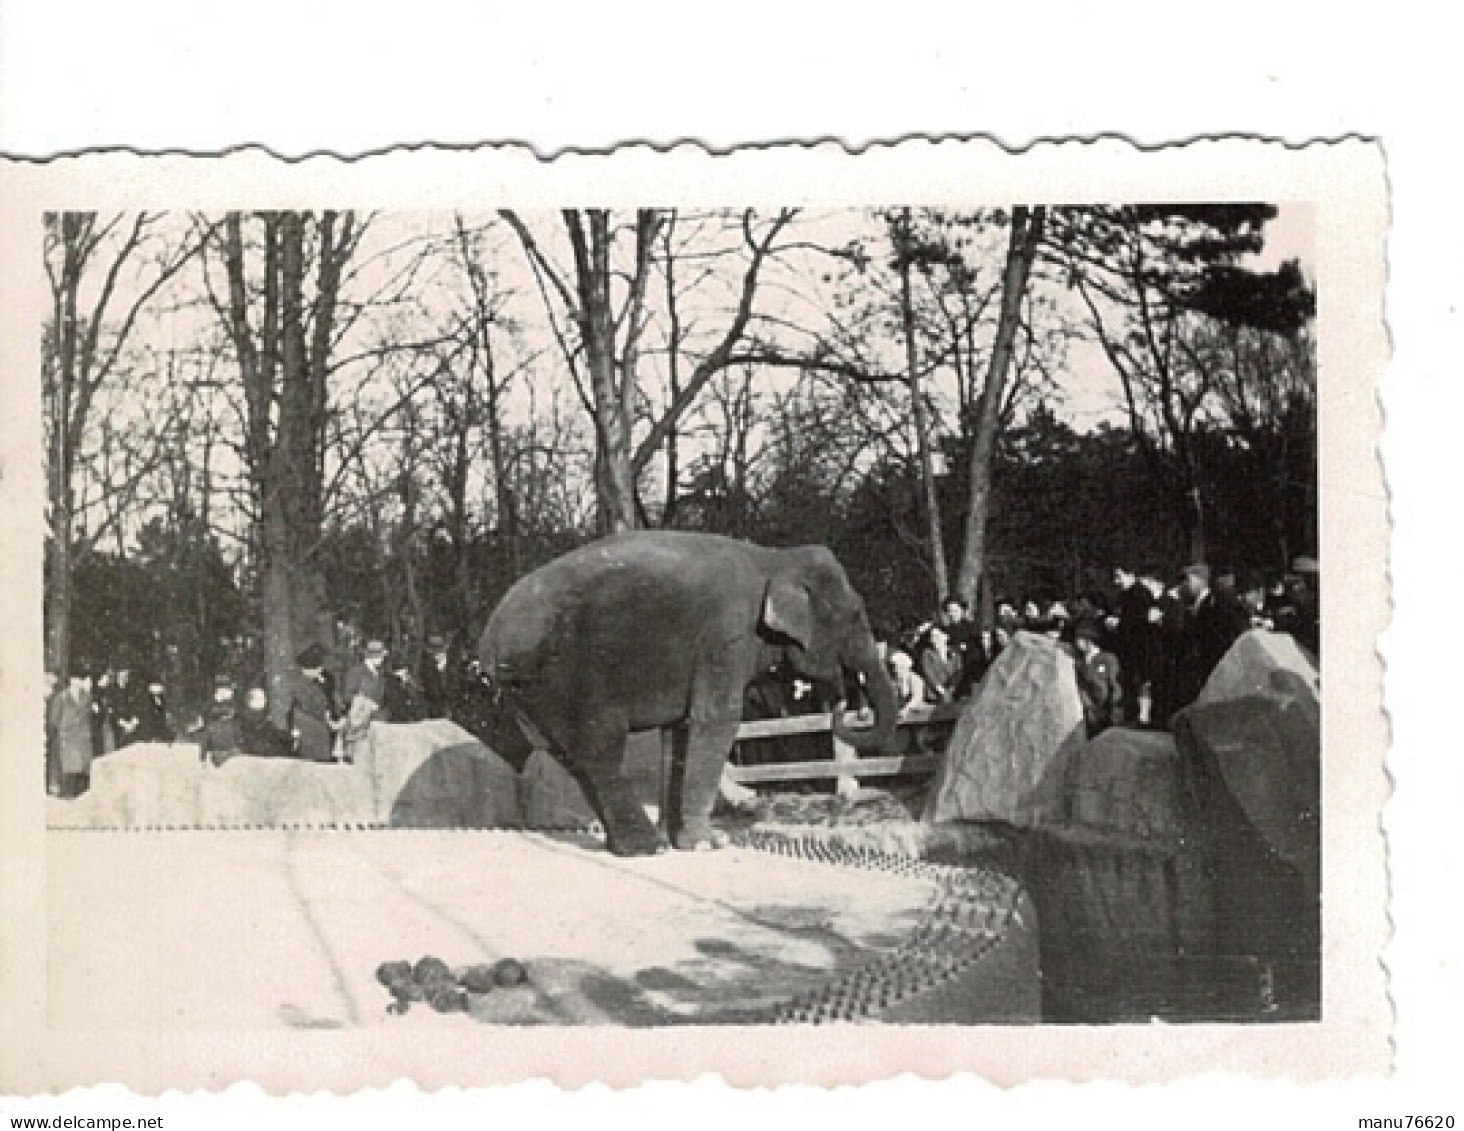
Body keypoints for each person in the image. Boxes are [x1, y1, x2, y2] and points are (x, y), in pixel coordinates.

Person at [288, 644, 342, 763]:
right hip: (309, 728)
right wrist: (328, 719)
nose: (320, 670)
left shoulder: (320, 681)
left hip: (320, 728)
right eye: (317, 668)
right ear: (307, 669)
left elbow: (330, 699)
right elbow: (309, 706)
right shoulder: (300, 684)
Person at [50, 664, 95, 798]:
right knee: (69, 771)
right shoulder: (61, 698)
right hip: (68, 739)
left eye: (81, 679)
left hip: (83, 740)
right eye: (77, 679)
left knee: (82, 773)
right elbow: (54, 720)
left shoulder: (87, 697)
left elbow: (90, 717)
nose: (80, 682)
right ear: (71, 680)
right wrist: (65, 731)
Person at [1073, 619, 1123, 736]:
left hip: (1108, 714)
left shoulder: (1108, 659)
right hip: (1088, 715)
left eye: (1079, 638)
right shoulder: (1079, 663)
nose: (1076, 642)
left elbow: (1115, 687)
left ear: (1089, 641)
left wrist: (1114, 715)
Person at [340, 639, 388, 760]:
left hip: (376, 723)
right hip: (359, 723)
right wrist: (367, 704)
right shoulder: (356, 672)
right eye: (380, 656)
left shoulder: (380, 674)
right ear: (373, 656)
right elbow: (347, 696)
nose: (382, 659)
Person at [200, 675, 243, 766]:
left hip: (229, 741)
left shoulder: (232, 705)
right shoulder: (212, 705)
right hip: (219, 739)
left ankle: (224, 754)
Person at [239, 686, 292, 758]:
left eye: (264, 697)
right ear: (250, 701)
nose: (265, 700)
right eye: (260, 698)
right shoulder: (248, 721)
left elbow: (277, 733)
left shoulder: (267, 715)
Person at [916, 625, 962, 704]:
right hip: (935, 696)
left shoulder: (955, 652)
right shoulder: (927, 653)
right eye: (932, 637)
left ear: (946, 637)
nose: (934, 640)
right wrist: (943, 692)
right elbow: (930, 675)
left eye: (937, 636)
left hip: (954, 693)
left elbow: (959, 672)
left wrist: (952, 689)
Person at [418, 634, 456, 719]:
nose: (436, 655)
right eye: (433, 652)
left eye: (439, 651)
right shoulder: (427, 669)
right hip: (433, 711)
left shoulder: (452, 669)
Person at [132, 673, 176, 744]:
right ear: (150, 687)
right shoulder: (144, 700)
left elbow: (163, 717)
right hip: (147, 729)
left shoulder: (162, 699)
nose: (160, 688)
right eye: (157, 686)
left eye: (160, 686)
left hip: (159, 728)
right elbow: (145, 718)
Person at [382, 654, 425, 723]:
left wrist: (410, 685)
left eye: (405, 669)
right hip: (397, 721)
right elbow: (395, 705)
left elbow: (418, 697)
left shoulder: (410, 683)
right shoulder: (391, 684)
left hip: (410, 719)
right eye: (402, 670)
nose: (405, 672)